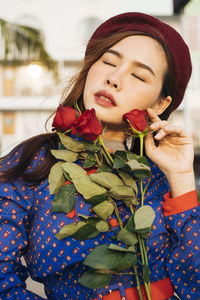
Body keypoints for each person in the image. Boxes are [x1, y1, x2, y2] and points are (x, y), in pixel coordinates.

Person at [0, 12, 199, 300]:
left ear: (160, 102)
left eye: (139, 75)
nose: (114, 78)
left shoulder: (157, 176)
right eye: (108, 61)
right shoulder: (35, 161)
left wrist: (181, 179)